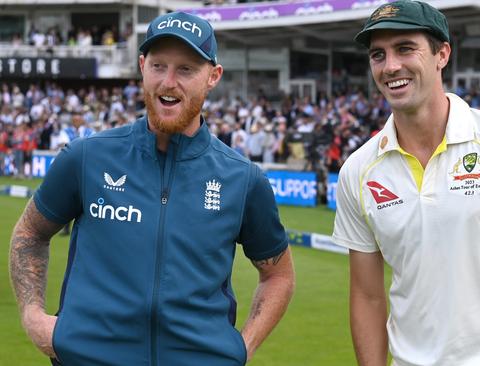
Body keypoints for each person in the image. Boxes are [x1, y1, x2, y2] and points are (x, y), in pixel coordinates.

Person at [9, 11, 295, 366]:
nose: (168, 82)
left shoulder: (243, 179)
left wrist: (242, 347)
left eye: (186, 69)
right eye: (159, 66)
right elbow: (30, 234)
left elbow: (278, 275)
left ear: (213, 76)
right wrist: (33, 317)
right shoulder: (87, 157)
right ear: (142, 66)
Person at [332, 1, 480, 365]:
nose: (390, 66)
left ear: (441, 54)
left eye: (405, 48)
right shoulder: (358, 170)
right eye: (378, 55)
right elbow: (367, 296)